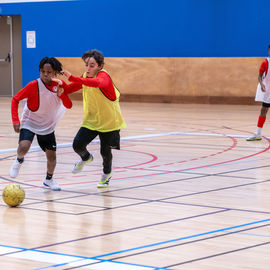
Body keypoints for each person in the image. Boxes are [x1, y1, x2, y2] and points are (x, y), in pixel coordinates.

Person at [61, 49, 126, 188]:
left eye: (92, 65)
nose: (88, 68)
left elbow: (97, 83)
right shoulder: (85, 77)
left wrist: (72, 77)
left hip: (110, 122)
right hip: (91, 121)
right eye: (86, 65)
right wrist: (58, 85)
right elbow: (69, 89)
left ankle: (106, 174)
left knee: (105, 152)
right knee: (77, 145)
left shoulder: (104, 77)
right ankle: (86, 157)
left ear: (100, 66)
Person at [9, 57, 72, 191]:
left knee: (52, 156)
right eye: (43, 71)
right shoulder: (33, 85)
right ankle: (19, 160)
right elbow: (15, 99)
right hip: (30, 121)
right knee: (24, 146)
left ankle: (48, 180)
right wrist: (15, 120)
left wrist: (62, 95)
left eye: (49, 72)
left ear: (54, 72)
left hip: (47, 125)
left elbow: (69, 105)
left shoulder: (59, 85)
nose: (45, 74)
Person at [247, 45, 270, 141]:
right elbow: (260, 76)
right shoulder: (266, 62)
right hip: (268, 90)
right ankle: (258, 133)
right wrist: (261, 84)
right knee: (263, 110)